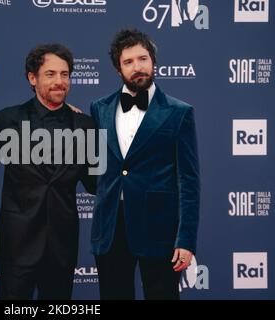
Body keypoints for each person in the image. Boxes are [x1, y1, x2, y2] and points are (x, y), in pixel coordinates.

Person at [90, 28, 200, 300]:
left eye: (142, 58)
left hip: (160, 228)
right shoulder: (99, 108)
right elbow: (95, 166)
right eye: (128, 62)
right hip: (111, 227)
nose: (137, 67)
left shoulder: (179, 112)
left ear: (153, 62)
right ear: (118, 69)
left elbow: (189, 180)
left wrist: (185, 240)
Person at [0, 44, 96, 300]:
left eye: (64, 74)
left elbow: (96, 183)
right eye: (50, 74)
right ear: (32, 78)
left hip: (62, 247)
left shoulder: (85, 126)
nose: (59, 81)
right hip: (17, 246)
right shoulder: (7, 120)